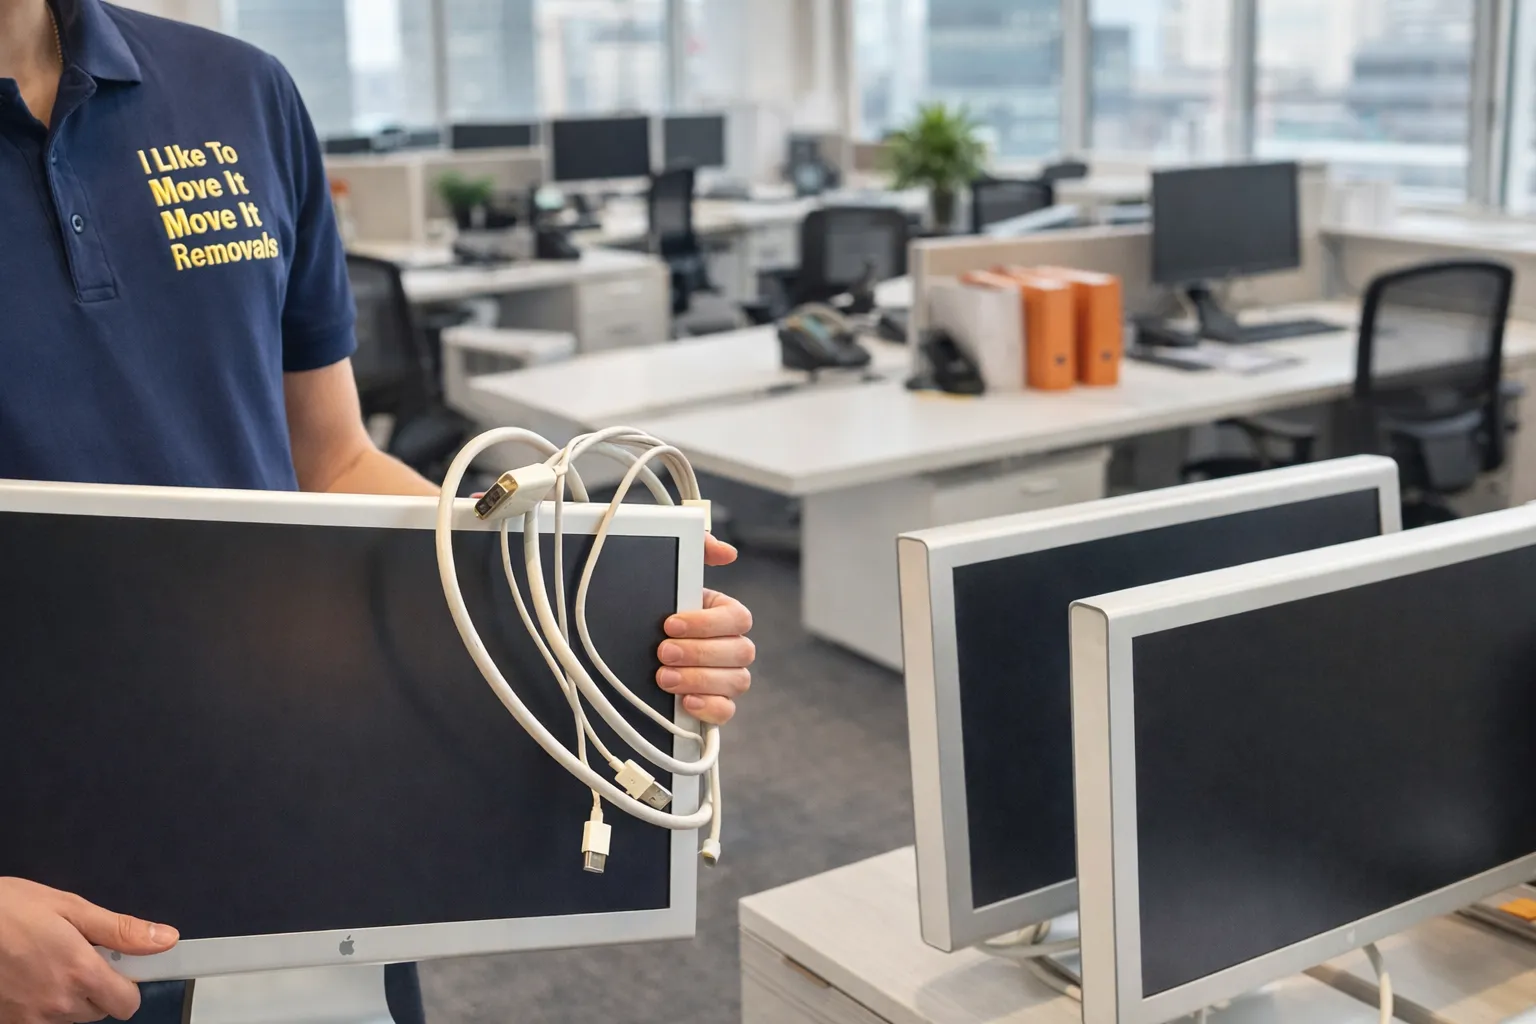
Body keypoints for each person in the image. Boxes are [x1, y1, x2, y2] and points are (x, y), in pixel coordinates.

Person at [0, 1, 756, 1022]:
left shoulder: (240, 91)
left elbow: (334, 457)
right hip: (38, 882)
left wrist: (596, 586)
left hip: (300, 787)